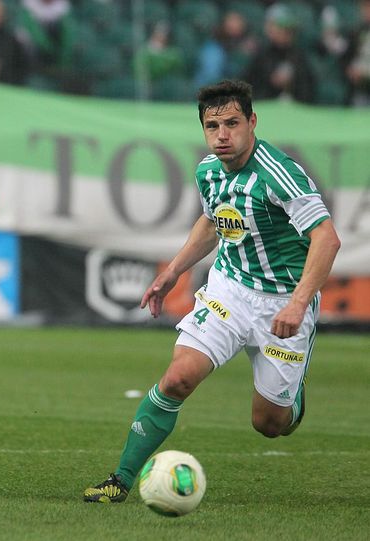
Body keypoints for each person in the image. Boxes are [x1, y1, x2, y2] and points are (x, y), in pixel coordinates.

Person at [84, 79, 340, 503]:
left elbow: (327, 238)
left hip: (283, 303)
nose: (222, 135)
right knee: (178, 377)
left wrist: (298, 304)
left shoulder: (280, 174)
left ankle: (291, 400)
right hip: (230, 290)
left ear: (252, 122)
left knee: (269, 424)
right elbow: (212, 221)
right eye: (212, 125)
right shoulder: (208, 170)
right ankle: (121, 480)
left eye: (232, 123)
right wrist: (173, 272)